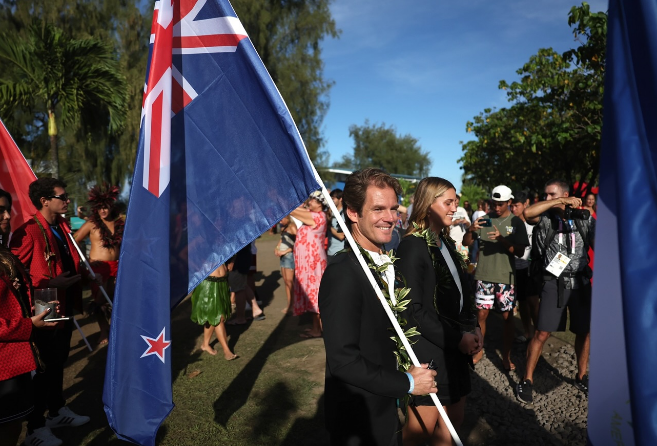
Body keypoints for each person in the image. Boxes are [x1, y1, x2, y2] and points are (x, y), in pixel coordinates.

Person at [319, 168, 438, 446]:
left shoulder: (387, 260)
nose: (390, 218)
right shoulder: (343, 273)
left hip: (385, 407)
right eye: (378, 209)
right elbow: (343, 361)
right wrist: (406, 383)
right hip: (360, 419)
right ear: (352, 213)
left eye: (394, 208)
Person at [397, 177, 482, 446]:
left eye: (455, 202)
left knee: (453, 420)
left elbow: (461, 292)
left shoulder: (444, 242)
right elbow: (414, 310)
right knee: (421, 430)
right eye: (448, 202)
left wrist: (472, 326)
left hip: (454, 345)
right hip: (429, 349)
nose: (454, 208)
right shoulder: (413, 246)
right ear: (428, 204)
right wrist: (459, 338)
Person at [10, 178, 89, 446]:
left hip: (63, 305)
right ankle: (34, 428)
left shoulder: (62, 228)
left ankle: (56, 411)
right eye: (62, 196)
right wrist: (49, 283)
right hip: (44, 309)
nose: (67, 200)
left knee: (58, 362)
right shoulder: (28, 231)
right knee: (44, 369)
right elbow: (12, 274)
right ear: (45, 201)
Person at [516, 179, 595, 404]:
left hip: (580, 282)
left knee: (584, 331)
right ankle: (527, 379)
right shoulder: (544, 218)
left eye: (551, 194)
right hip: (553, 282)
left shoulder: (584, 219)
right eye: (547, 195)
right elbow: (528, 212)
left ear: (568, 194)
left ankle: (581, 375)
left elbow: (599, 245)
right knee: (542, 332)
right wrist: (557, 202)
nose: (547, 198)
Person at [462, 185, 529, 371]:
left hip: (505, 278)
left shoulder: (516, 223)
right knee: (481, 314)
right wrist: (470, 229)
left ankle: (506, 356)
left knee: (508, 317)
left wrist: (502, 239)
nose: (497, 208)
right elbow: (465, 243)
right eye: (494, 204)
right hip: (484, 276)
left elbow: (520, 251)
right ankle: (478, 351)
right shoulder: (483, 220)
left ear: (509, 202)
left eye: (501, 204)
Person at [73, 184, 124, 346]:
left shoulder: (119, 224)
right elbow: (75, 239)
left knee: (118, 298)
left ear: (111, 207)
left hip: (117, 265)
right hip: (98, 266)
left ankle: (118, 329)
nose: (103, 211)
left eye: (106, 207)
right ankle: (104, 330)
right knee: (99, 301)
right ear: (96, 208)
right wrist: (85, 261)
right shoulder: (91, 224)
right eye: (100, 207)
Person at [290, 191, 328, 339]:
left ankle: (318, 329)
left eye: (312, 200)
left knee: (314, 295)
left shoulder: (317, 217)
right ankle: (316, 328)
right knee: (313, 294)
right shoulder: (314, 215)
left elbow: (293, 211)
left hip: (313, 264)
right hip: (309, 263)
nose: (310, 201)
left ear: (320, 204)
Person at [510, 191, 540, 342]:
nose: (513, 209)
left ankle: (538, 332)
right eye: (512, 206)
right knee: (522, 301)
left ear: (525, 204)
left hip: (530, 265)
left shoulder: (533, 223)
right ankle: (527, 331)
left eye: (517, 205)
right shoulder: (511, 223)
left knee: (533, 301)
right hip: (515, 264)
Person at [190, 263, 237, 360]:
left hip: (222, 284)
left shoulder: (221, 247)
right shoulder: (200, 247)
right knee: (218, 318)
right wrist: (197, 268)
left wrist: (231, 261)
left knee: (212, 316)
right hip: (208, 284)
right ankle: (226, 350)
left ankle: (205, 344)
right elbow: (183, 255)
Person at [227, 244, 265, 325]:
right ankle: (256, 309)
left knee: (238, 289)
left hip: (238, 261)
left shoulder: (236, 232)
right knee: (243, 285)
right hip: (242, 258)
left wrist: (233, 260)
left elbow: (240, 245)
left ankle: (240, 318)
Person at [275, 215, 296, 314]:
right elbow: (281, 240)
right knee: (286, 282)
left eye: (282, 218)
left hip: (289, 256)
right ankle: (289, 304)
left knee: (290, 282)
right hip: (283, 257)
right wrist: (277, 248)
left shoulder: (292, 227)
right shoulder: (284, 228)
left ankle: (293, 305)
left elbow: (298, 242)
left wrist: (286, 251)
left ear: (288, 218)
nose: (280, 221)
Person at [326, 189, 345, 256]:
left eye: (333, 198)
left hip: (339, 252)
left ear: (340, 199)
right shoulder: (330, 212)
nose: (331, 200)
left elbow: (341, 236)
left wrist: (328, 227)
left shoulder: (344, 214)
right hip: (329, 252)